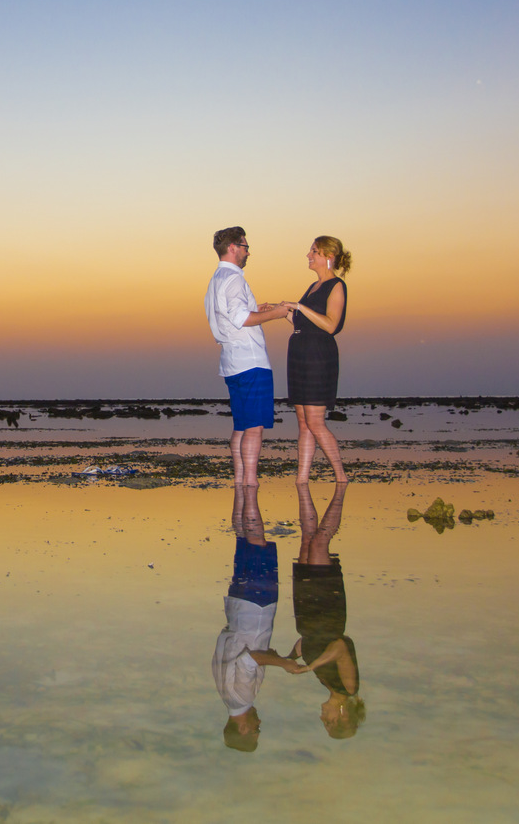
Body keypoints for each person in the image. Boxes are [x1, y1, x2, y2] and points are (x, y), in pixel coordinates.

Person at [213, 483, 299, 752]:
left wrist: (284, 664)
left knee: (257, 540)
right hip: (238, 606)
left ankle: (249, 485)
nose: (260, 723)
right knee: (242, 537)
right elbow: (249, 653)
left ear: (242, 728)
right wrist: (289, 657)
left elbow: (251, 658)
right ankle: (241, 480)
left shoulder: (244, 697)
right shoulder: (225, 694)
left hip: (257, 608)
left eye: (256, 729)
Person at [206, 227, 290, 486]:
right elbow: (242, 319)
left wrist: (257, 309)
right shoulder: (234, 280)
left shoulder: (216, 280)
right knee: (254, 427)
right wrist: (276, 313)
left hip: (231, 363)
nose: (247, 251)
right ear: (232, 247)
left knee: (241, 426)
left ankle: (241, 480)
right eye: (244, 246)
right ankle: (251, 483)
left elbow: (230, 317)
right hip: (251, 361)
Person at [288, 478, 366, 739]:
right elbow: (339, 648)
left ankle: (303, 482)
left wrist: (291, 658)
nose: (322, 717)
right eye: (328, 721)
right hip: (327, 610)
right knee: (321, 543)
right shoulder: (349, 687)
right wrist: (309, 667)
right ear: (342, 715)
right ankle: (341, 488)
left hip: (308, 612)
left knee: (307, 539)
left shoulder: (326, 683)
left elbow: (310, 644)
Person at [280, 236, 352, 484]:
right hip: (300, 353)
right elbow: (304, 322)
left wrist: (299, 306)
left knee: (315, 421)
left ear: (328, 257)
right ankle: (302, 478)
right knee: (303, 422)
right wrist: (283, 313)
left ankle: (341, 476)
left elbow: (331, 325)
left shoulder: (336, 285)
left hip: (318, 356)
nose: (308, 255)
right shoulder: (312, 287)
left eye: (314, 251)